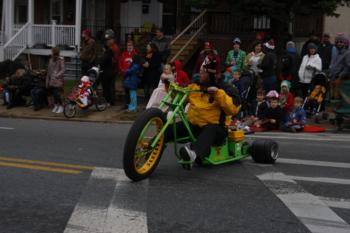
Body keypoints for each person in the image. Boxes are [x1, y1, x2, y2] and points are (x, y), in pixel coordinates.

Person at [166, 69, 239, 168]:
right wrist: (169, 85)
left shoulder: (227, 89)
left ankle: (193, 154)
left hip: (217, 130)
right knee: (170, 129)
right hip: (195, 126)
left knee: (210, 128)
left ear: (213, 75)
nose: (200, 74)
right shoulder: (195, 86)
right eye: (200, 71)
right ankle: (150, 147)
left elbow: (233, 110)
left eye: (203, 72)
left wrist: (217, 93)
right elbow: (179, 98)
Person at [329, 34, 350, 99]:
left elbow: (348, 66)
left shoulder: (347, 53)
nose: (339, 43)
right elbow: (335, 65)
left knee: (337, 97)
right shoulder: (338, 53)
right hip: (334, 77)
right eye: (337, 42)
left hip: (340, 78)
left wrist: (340, 76)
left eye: (341, 42)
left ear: (345, 43)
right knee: (332, 96)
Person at [46, 47, 65, 113]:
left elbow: (62, 70)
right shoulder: (50, 59)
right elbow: (49, 70)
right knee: (54, 93)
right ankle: (56, 105)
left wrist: (57, 75)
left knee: (58, 93)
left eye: (52, 51)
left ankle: (61, 106)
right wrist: (48, 80)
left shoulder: (60, 59)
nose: (51, 53)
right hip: (52, 80)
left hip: (58, 80)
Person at [99, 40, 115, 106]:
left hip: (106, 74)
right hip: (110, 73)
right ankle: (110, 101)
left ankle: (107, 101)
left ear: (104, 48)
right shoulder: (110, 54)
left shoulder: (106, 55)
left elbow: (101, 63)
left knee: (106, 88)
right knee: (109, 88)